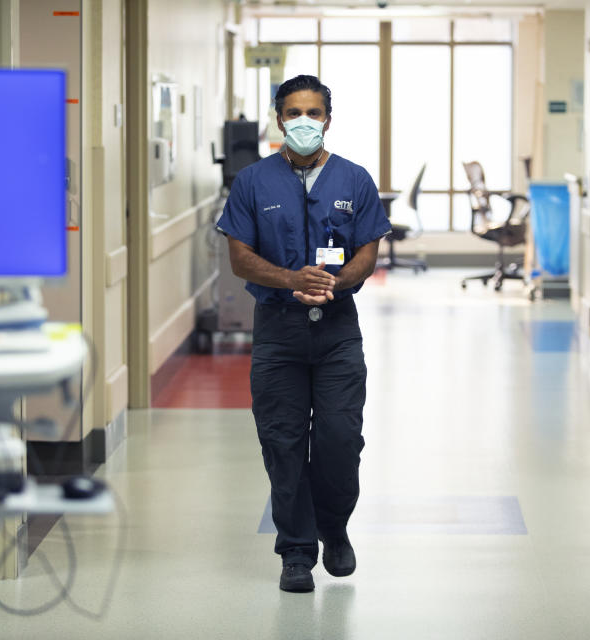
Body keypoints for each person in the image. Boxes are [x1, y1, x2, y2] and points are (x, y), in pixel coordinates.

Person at [216, 75, 391, 593]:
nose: (304, 122)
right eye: (294, 113)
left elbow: (368, 249)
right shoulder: (252, 182)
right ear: (278, 119)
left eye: (314, 113)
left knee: (340, 440)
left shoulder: (354, 180)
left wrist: (334, 283)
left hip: (337, 331)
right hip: (278, 331)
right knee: (283, 443)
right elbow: (240, 255)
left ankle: (334, 531)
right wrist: (291, 279)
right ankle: (296, 551)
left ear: (328, 120)